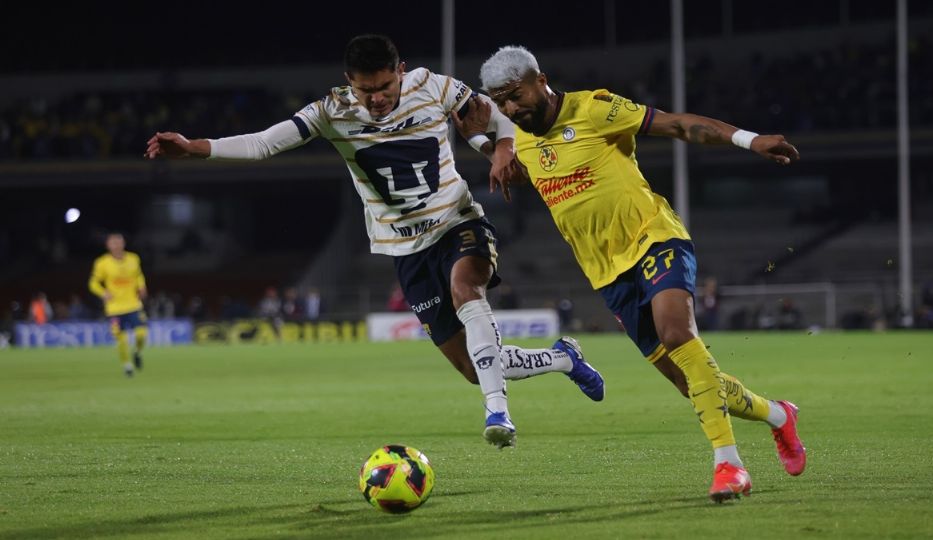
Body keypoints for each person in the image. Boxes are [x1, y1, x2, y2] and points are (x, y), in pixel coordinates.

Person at [144, 34, 605, 449]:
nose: (378, 98)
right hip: (405, 250)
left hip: (457, 220)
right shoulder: (332, 111)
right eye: (367, 90)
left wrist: (503, 147)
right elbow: (264, 143)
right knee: (472, 367)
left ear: (400, 70)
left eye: (385, 86)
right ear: (350, 82)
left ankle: (498, 413)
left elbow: (498, 111)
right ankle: (562, 358)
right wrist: (194, 146)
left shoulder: (434, 86)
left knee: (467, 289)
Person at [468, 45, 806, 500]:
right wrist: (487, 146)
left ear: (540, 81)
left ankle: (730, 465)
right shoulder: (522, 141)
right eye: (501, 102)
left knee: (677, 334)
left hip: (654, 238)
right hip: (606, 272)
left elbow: (678, 124)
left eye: (516, 95)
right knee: (689, 382)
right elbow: (532, 170)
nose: (511, 108)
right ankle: (779, 415)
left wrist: (749, 140)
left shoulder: (594, 109)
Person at [88, 232, 149, 377]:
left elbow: (138, 275)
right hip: (114, 308)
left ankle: (137, 352)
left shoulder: (133, 258)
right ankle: (127, 366)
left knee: (141, 334)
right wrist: (103, 293)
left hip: (133, 304)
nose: (116, 245)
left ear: (123, 244)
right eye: (113, 243)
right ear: (108, 246)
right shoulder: (102, 263)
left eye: (118, 242)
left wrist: (142, 286)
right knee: (121, 339)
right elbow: (93, 283)